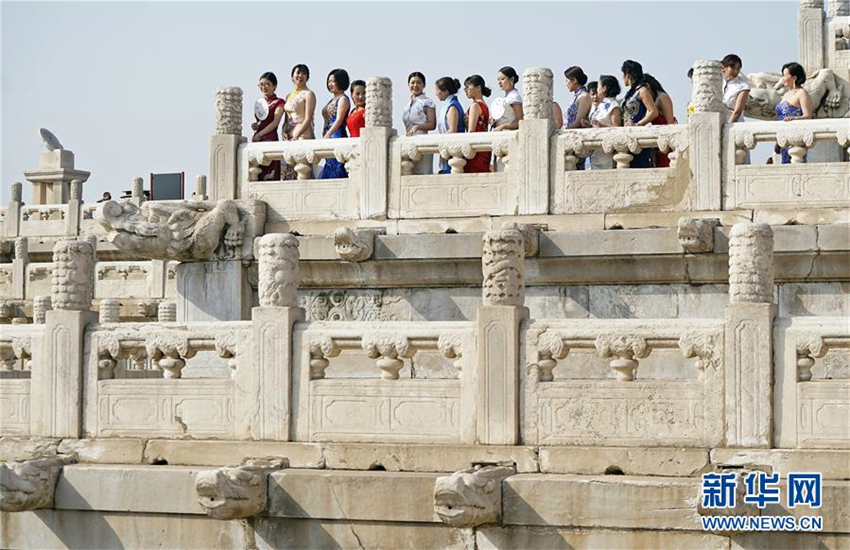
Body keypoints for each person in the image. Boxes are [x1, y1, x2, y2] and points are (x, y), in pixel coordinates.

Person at [621, 60, 658, 168]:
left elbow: (653, 112)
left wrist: (638, 124)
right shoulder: (629, 93)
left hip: (638, 137)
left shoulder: (642, 91)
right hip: (627, 136)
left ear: (628, 75)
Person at [775, 62, 813, 164]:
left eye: (785, 75)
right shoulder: (786, 94)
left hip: (796, 137)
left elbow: (808, 115)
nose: (783, 79)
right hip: (784, 138)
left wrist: (794, 119)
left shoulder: (802, 93)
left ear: (794, 77)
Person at [283, 64, 316, 180]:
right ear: (292, 76)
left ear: (307, 77)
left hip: (303, 135)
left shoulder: (308, 94)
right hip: (290, 137)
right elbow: (286, 118)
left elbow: (308, 118)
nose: (300, 76)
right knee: (290, 172)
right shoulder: (288, 96)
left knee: (303, 171)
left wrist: (297, 134)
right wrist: (284, 131)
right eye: (298, 73)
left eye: (303, 73)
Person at [251, 71, 286, 180]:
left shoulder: (279, 102)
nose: (263, 87)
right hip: (257, 139)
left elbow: (275, 122)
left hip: (269, 138)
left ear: (274, 86)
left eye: (267, 84)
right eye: (261, 84)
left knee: (269, 173)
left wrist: (260, 134)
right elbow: (261, 121)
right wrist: (255, 126)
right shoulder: (260, 103)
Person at [402, 72, 437, 174]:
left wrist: (417, 127)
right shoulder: (407, 105)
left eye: (419, 83)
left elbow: (432, 124)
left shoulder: (427, 102)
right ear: (408, 84)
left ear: (424, 85)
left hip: (423, 143)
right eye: (412, 83)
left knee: (423, 175)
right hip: (408, 144)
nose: (415, 86)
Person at [319, 68, 351, 179]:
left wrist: (328, 135)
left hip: (337, 135)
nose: (330, 84)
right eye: (329, 81)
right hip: (328, 136)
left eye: (333, 81)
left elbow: (339, 120)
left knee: (337, 167)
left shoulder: (343, 99)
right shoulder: (332, 100)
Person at [589, 75, 622, 170]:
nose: (597, 89)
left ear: (604, 88)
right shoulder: (601, 105)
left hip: (607, 152)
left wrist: (601, 124)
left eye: (599, 86)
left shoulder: (613, 106)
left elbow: (617, 127)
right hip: (596, 150)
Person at [435, 77, 466, 174]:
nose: (436, 93)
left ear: (445, 91)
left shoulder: (452, 106)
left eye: (437, 90)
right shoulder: (448, 104)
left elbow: (452, 130)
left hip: (453, 150)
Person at [642, 74, 675, 167]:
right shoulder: (652, 102)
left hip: (665, 145)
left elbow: (670, 122)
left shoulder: (662, 97)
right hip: (656, 145)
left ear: (647, 86)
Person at [463, 75, 492, 173]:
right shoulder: (485, 106)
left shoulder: (475, 105)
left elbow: (471, 130)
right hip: (484, 148)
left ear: (478, 87)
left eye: (468, 87)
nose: (466, 90)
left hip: (475, 150)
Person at [491, 66, 523, 131]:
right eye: (498, 79)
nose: (499, 82)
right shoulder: (507, 97)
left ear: (511, 79)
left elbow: (520, 121)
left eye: (502, 79)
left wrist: (503, 126)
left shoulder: (514, 97)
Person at [563, 66, 592, 130]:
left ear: (574, 80)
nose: (566, 84)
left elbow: (578, 121)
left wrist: (565, 131)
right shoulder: (577, 97)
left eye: (567, 81)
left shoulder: (584, 97)